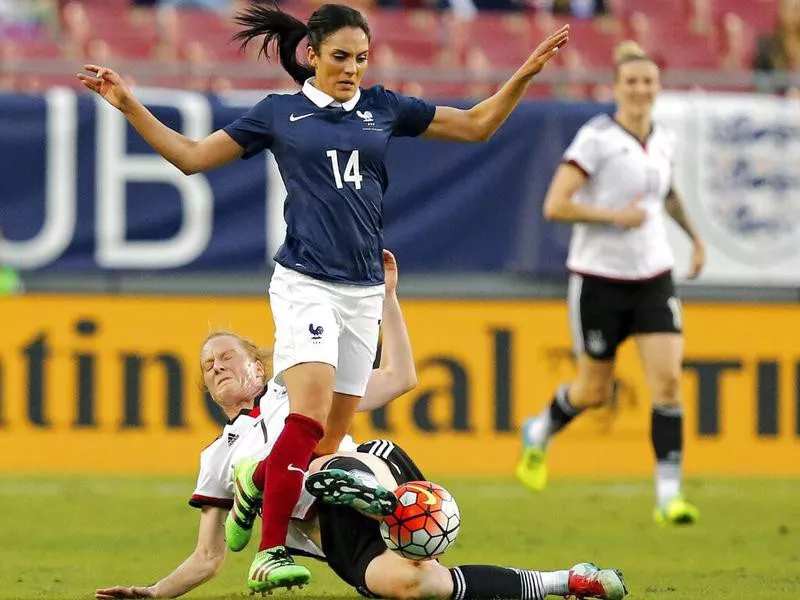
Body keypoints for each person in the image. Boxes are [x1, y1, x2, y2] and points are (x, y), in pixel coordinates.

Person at [77, 1, 569, 592]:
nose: (352, 69)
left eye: (361, 58)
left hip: (362, 291)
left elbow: (476, 125)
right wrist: (129, 102)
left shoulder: (382, 107)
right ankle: (271, 552)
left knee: (328, 445)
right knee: (306, 417)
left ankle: (259, 480)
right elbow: (191, 158)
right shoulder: (280, 113)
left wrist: (522, 76)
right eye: (340, 57)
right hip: (306, 281)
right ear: (311, 54)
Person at [95, 253, 628, 600]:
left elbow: (401, 377)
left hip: (371, 468)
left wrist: (388, 299)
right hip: (335, 538)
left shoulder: (299, 388)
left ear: (259, 366)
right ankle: (568, 581)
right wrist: (155, 592)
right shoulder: (215, 457)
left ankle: (280, 484)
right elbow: (210, 556)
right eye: (209, 368)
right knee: (414, 586)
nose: (216, 368)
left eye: (226, 357)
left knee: (318, 460)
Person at [515, 40, 706, 526]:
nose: (641, 89)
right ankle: (540, 430)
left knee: (667, 384)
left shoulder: (663, 139)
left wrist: (695, 239)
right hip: (599, 279)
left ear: (658, 87)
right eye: (633, 82)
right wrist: (611, 217)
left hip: (653, 276)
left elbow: (667, 194)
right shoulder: (596, 138)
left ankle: (669, 497)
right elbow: (555, 205)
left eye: (649, 81)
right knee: (594, 391)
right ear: (617, 87)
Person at [753, 0, 800, 95]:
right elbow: (761, 84)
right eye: (787, 8)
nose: (792, 14)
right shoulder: (767, 45)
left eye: (796, 9)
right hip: (778, 105)